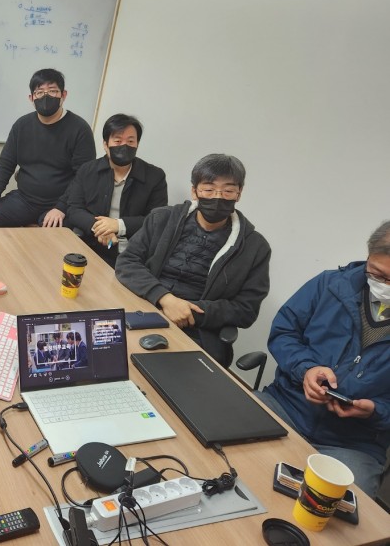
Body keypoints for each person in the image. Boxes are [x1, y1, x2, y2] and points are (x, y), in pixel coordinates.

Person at [257, 221, 390, 498]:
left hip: (354, 443)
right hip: (285, 406)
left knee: (341, 509)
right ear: (368, 257)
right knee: (218, 447)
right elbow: (284, 332)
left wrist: (376, 410)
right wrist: (306, 369)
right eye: (378, 275)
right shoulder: (330, 285)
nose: (385, 286)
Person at [116, 154, 270, 366]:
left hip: (196, 331)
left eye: (228, 191)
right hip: (142, 306)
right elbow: (127, 261)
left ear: (239, 193)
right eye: (209, 189)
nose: (218, 197)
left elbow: (246, 309)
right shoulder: (162, 218)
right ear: (194, 191)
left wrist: (190, 312)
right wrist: (165, 299)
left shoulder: (255, 247)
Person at [0, 68, 95, 227]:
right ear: (31, 98)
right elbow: (6, 164)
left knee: (50, 234)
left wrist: (61, 207)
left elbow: (83, 176)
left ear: (63, 95)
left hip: (61, 203)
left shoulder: (80, 128)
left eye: (52, 91)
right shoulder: (22, 125)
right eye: (39, 92)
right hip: (24, 200)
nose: (46, 96)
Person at [64, 113, 167, 267]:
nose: (124, 146)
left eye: (130, 141)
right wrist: (100, 228)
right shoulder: (87, 170)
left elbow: (157, 219)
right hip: (91, 242)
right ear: (106, 145)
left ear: (137, 144)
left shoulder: (155, 176)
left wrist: (118, 225)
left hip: (132, 251)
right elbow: (74, 209)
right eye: (118, 141)